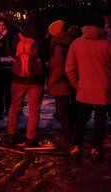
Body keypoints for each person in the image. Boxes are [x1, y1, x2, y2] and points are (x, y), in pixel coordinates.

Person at [65, 15, 111, 161]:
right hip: (104, 90)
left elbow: (70, 68)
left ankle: (76, 146)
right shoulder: (110, 45)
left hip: (84, 88)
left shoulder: (77, 44)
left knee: (82, 119)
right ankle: (96, 148)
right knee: (100, 121)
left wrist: (77, 84)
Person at [5, 20, 45, 148]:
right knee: (34, 109)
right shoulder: (41, 40)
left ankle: (11, 135)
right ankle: (30, 137)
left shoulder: (18, 38)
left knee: (15, 106)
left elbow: (12, 53)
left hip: (18, 78)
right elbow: (45, 57)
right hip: (36, 79)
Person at [47, 20, 74, 148]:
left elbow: (59, 66)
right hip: (66, 81)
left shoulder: (58, 46)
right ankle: (67, 135)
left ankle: (67, 137)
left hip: (60, 82)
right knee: (65, 110)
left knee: (63, 111)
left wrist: (51, 81)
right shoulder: (67, 41)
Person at [0, 16, 15, 122]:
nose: (1, 27)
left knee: (7, 92)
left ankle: (10, 112)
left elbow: (12, 53)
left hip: (7, 69)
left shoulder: (10, 36)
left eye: (3, 25)